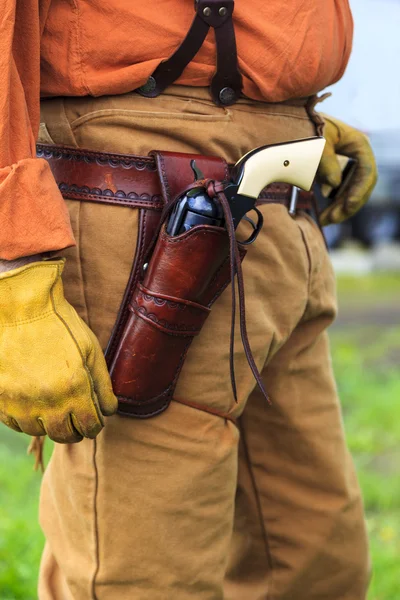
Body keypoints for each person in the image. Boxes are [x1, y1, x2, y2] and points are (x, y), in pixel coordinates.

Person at [0, 1, 377, 599]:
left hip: (275, 203)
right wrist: (9, 271)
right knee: (145, 578)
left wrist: (278, 119)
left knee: (316, 564)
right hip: (143, 216)